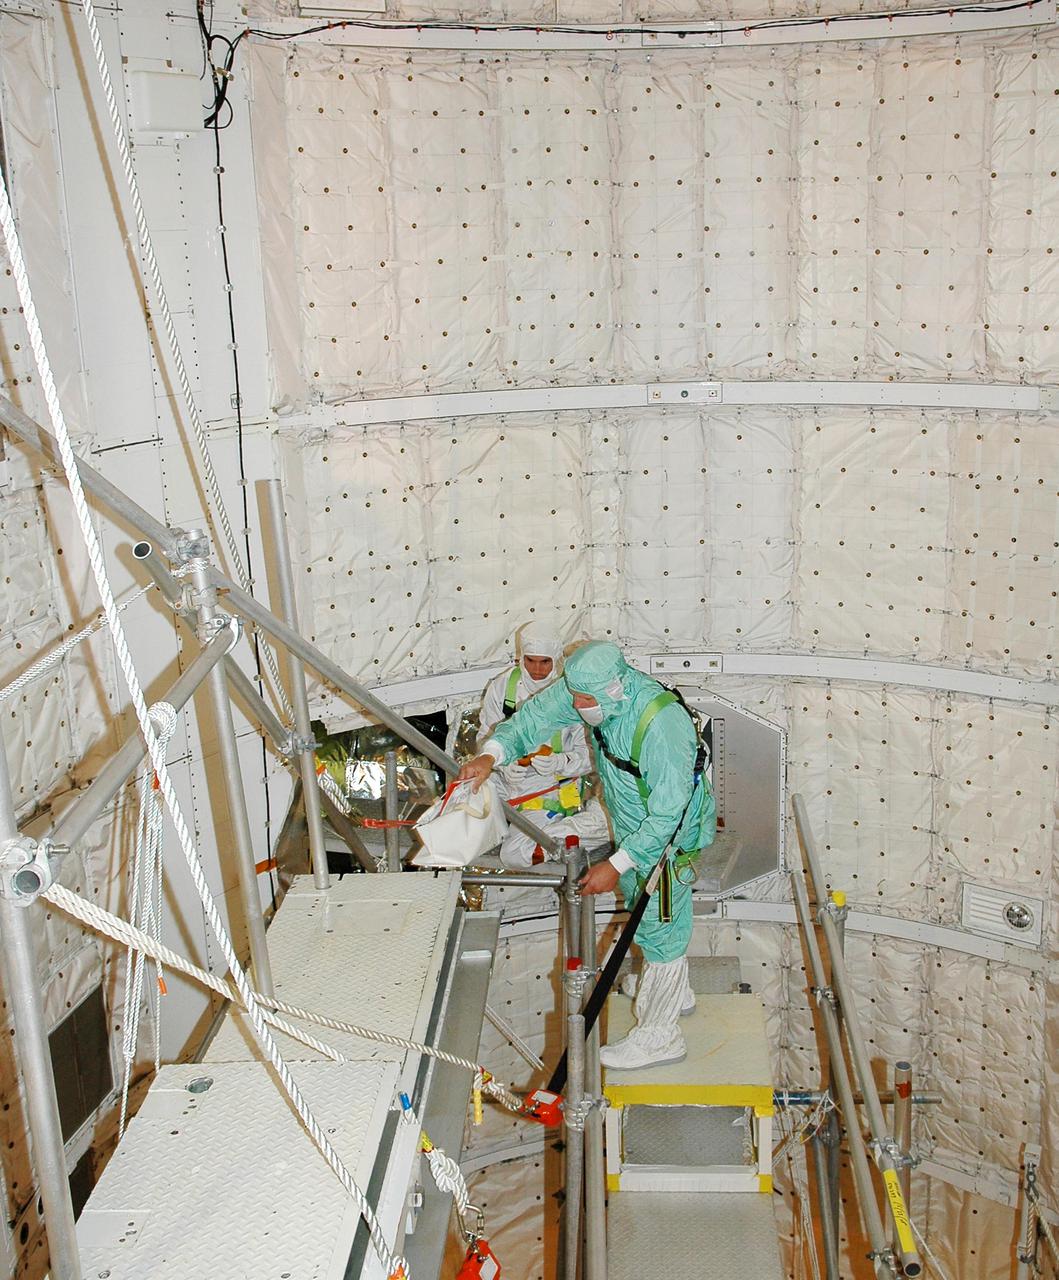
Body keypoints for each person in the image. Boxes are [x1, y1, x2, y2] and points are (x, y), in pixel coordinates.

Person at [460, 640, 716, 1070]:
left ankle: (661, 1036)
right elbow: (533, 719)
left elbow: (669, 814)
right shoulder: (589, 690)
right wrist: (491, 754)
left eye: (585, 700)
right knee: (644, 908)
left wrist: (615, 865)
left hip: (668, 838)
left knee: (661, 925)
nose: (577, 706)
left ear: (616, 688)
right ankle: (672, 990)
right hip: (629, 820)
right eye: (575, 696)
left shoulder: (662, 726)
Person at [477, 621, 605, 868]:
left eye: (544, 662)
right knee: (464, 803)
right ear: (521, 657)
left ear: (555, 658)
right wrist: (503, 765)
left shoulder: (573, 693)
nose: (537, 669)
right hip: (507, 780)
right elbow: (485, 736)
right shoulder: (502, 687)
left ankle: (576, 830)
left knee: (514, 854)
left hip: (548, 787)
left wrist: (559, 763)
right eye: (530, 660)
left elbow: (590, 755)